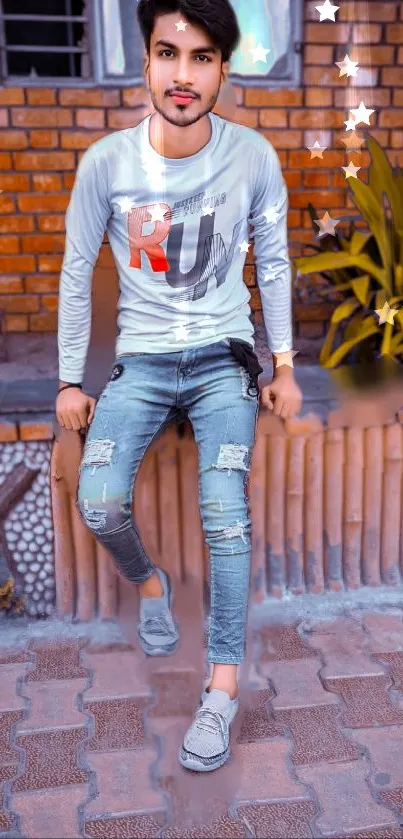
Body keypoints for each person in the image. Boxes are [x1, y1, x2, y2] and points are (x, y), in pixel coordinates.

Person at [56, 0, 302, 773]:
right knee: (98, 498)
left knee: (224, 513)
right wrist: (70, 378)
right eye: (169, 53)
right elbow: (73, 273)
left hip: (224, 359)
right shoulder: (107, 164)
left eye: (201, 58)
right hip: (144, 362)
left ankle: (221, 688)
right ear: (146, 61)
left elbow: (272, 261)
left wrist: (287, 363)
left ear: (224, 68)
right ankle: (151, 582)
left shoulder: (253, 156)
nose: (183, 75)